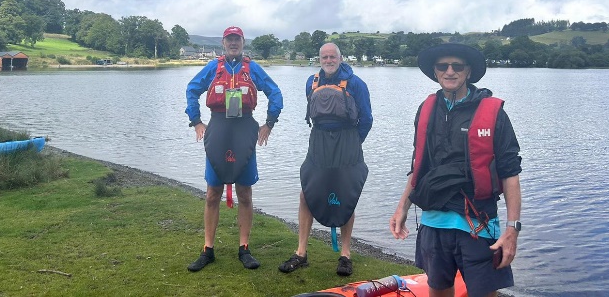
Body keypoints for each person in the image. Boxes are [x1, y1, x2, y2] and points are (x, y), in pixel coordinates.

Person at [389, 43, 522, 297]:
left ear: (468, 71)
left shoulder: (494, 113)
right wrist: (402, 208)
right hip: (433, 222)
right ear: (436, 72)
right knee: (438, 289)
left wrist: (512, 229)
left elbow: (510, 172)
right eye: (443, 66)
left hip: (478, 225)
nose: (450, 71)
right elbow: (418, 166)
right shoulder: (426, 109)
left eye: (457, 66)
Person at [185, 26, 283, 272]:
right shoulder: (213, 68)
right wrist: (196, 121)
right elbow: (191, 90)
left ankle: (244, 248)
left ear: (242, 42)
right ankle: (208, 250)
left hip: (244, 129)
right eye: (229, 40)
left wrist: (269, 123)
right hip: (218, 127)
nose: (233, 43)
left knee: (245, 192)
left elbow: (275, 93)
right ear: (223, 42)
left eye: (237, 39)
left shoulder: (252, 69)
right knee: (212, 192)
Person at [279, 42, 373, 277]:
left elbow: (368, 119)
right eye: (325, 57)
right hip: (319, 141)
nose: (329, 60)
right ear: (319, 59)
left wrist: (353, 143)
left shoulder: (357, 84)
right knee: (306, 192)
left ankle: (345, 254)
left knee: (347, 194)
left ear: (340, 58)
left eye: (333, 57)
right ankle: (301, 253)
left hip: (347, 142)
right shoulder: (311, 82)